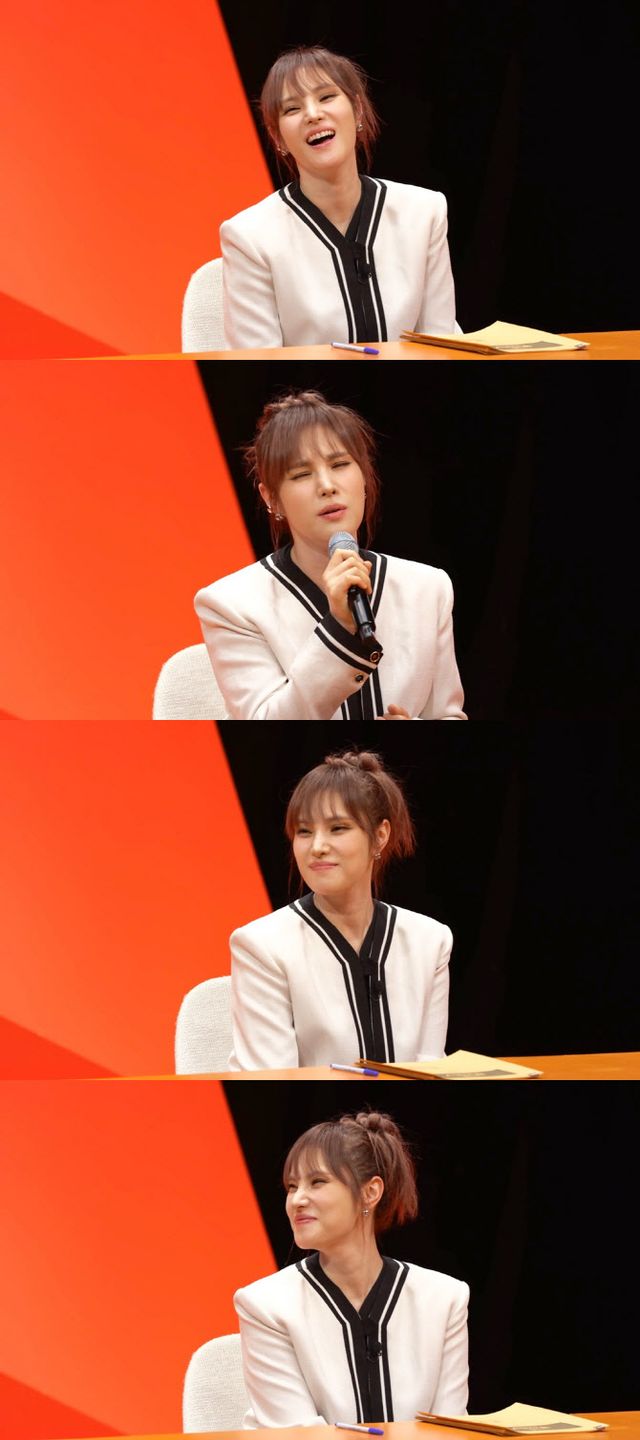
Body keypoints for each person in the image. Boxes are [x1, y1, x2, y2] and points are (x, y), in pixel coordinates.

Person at [194, 390, 466, 720]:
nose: (327, 485)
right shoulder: (230, 605)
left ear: (364, 476)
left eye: (339, 465)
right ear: (272, 499)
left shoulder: (428, 588)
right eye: (301, 474)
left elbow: (447, 715)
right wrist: (338, 627)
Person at [234, 1111, 469, 1425]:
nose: (297, 1200)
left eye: (317, 1182)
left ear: (370, 1192)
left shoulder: (445, 1300)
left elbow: (450, 1428)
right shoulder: (264, 1306)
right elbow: (300, 1435)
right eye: (291, 1187)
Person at [218, 45, 457, 349]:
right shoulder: (249, 237)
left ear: (357, 110)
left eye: (326, 97)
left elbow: (442, 345)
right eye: (292, 109)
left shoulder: (424, 213)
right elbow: (258, 362)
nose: (313, 114)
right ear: (278, 138)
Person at [228, 750, 453, 1071]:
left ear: (380, 836)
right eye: (304, 831)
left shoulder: (430, 941)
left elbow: (431, 1067)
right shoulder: (261, 945)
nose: (317, 846)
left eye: (337, 828)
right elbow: (270, 1078)